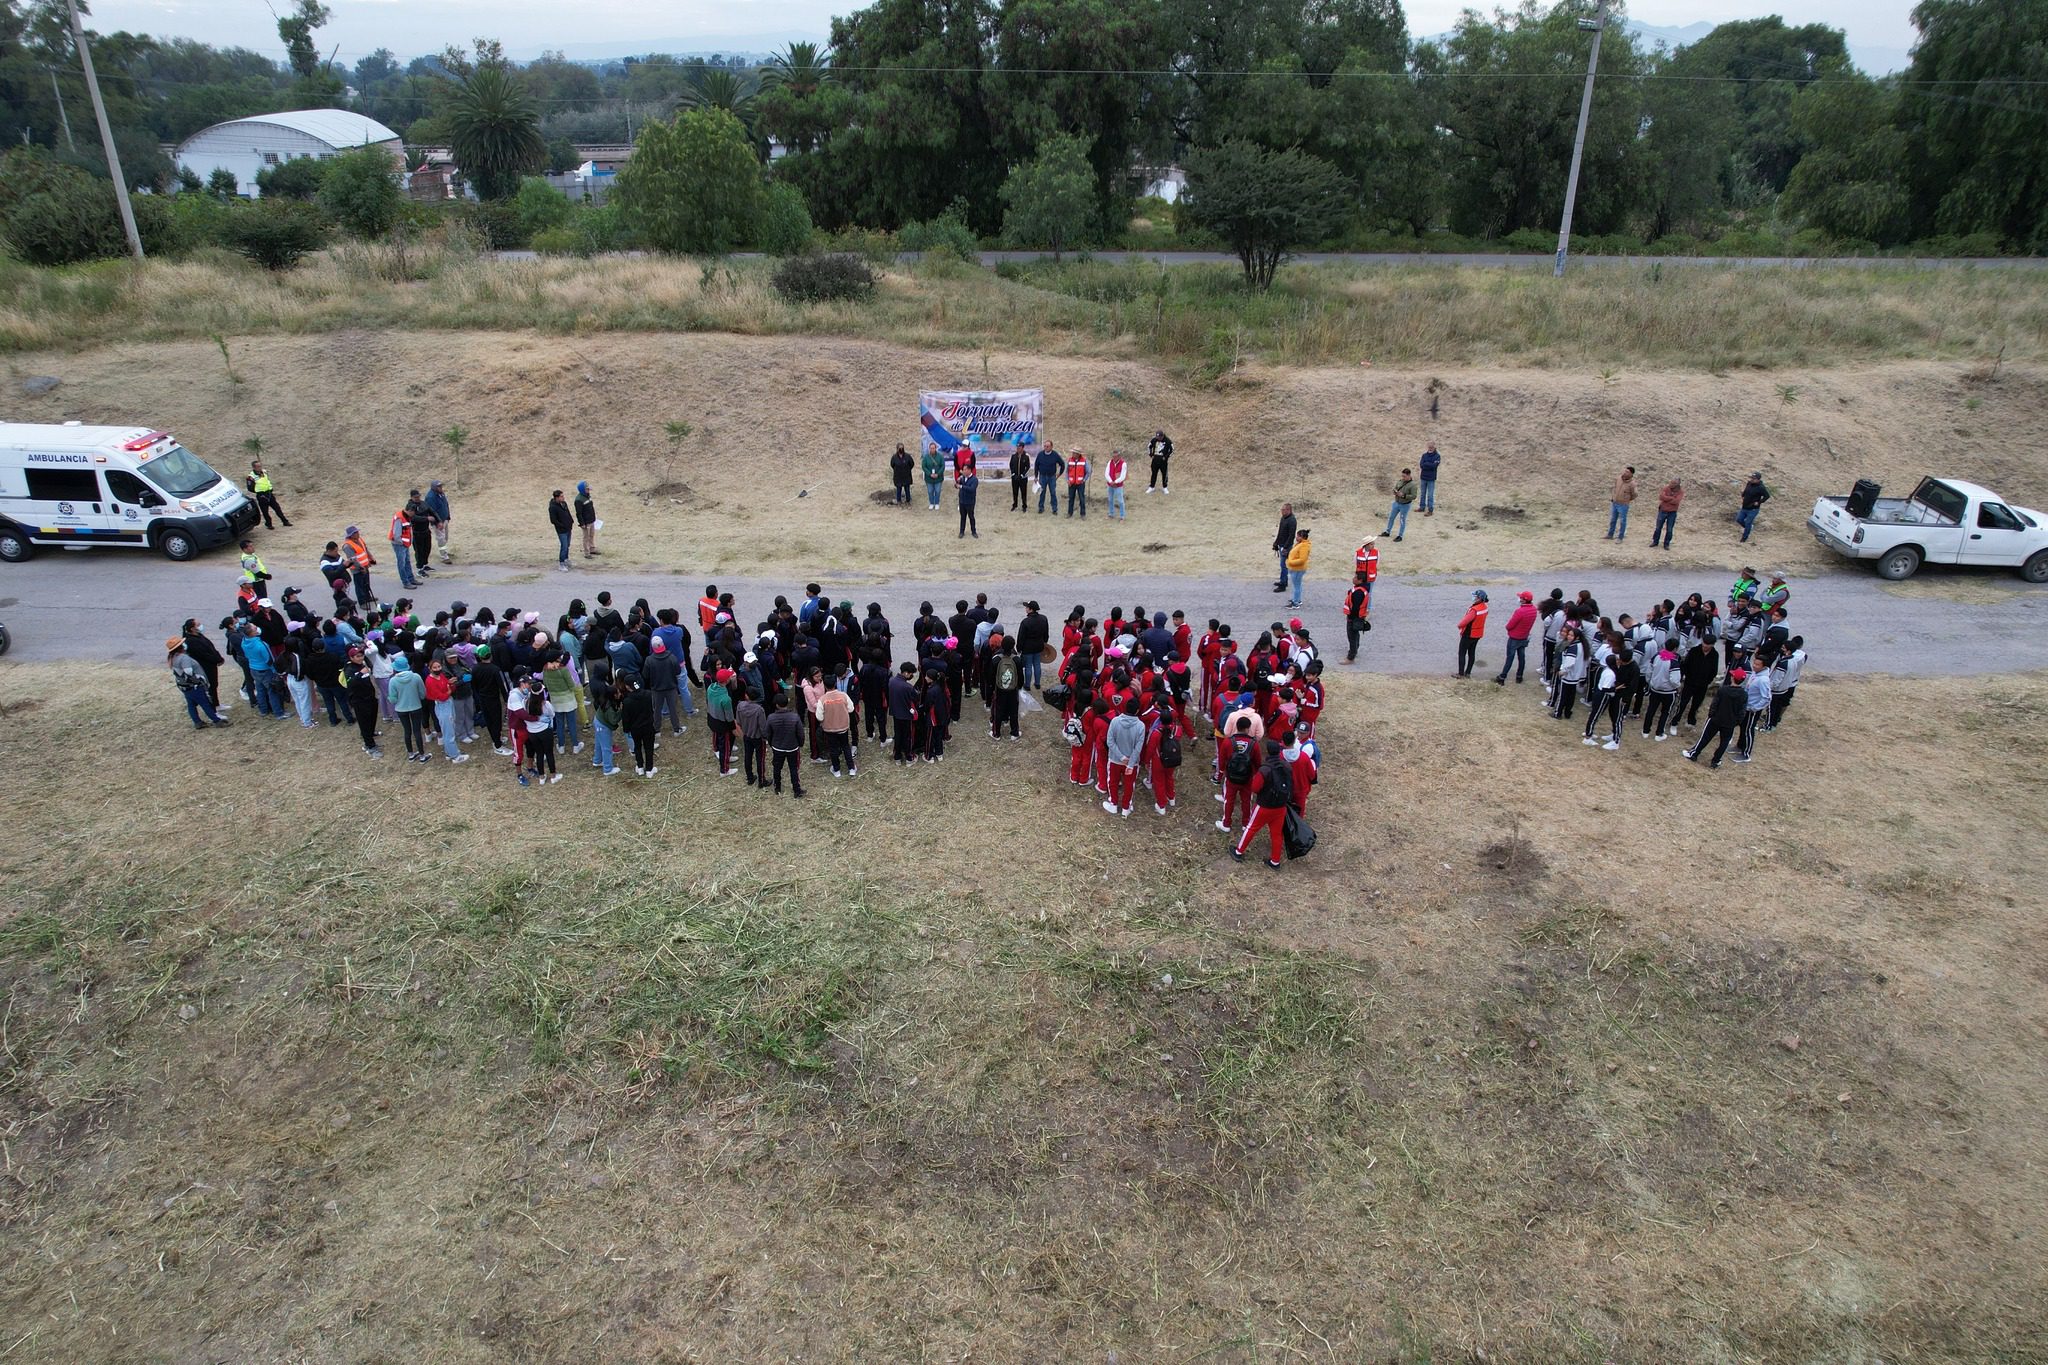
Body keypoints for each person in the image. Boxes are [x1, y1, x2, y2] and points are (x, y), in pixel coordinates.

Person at [1231, 739, 1293, 869]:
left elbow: (1255, 787)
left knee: (1251, 828)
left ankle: (1238, 851)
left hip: (1264, 805)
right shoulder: (1287, 766)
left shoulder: (1265, 769)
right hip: (1281, 806)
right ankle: (1275, 861)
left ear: (1268, 752)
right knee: (1276, 834)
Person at [1686, 669, 1750, 769]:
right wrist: (1736, 721)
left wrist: (1711, 715)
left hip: (1716, 719)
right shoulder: (1744, 695)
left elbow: (1714, 704)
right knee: (1724, 742)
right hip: (1729, 723)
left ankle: (1694, 754)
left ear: (1733, 678)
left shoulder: (1723, 690)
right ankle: (1715, 761)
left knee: (1705, 737)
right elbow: (1742, 711)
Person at [170, 637, 230, 729]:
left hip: (184, 686)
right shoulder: (184, 658)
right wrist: (199, 680)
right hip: (194, 686)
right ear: (180, 647)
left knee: (191, 704)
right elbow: (189, 671)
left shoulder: (173, 658)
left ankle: (197, 722)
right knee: (205, 703)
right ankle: (216, 721)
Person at [1103, 698, 1146, 817]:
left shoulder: (1115, 721)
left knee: (1113, 781)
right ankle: (1126, 807)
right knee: (1129, 784)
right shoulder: (1141, 726)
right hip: (1132, 763)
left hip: (1115, 760)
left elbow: (1110, 741)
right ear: (1137, 710)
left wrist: (1121, 757)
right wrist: (1131, 763)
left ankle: (1113, 804)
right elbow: (1138, 748)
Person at [426, 660, 469, 763]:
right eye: (435, 668)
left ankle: (449, 752)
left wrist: (451, 684)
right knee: (448, 731)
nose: (437, 669)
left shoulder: (441, 676)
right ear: (430, 669)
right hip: (442, 705)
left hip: (448, 702)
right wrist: (448, 691)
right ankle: (455, 756)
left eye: (439, 666)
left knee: (450, 728)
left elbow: (449, 687)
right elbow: (441, 696)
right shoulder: (430, 681)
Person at [387, 654, 428, 762]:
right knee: (417, 731)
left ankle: (410, 754)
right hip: (416, 707)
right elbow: (423, 694)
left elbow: (393, 699)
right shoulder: (416, 677)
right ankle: (422, 755)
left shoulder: (393, 681)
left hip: (401, 709)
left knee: (407, 731)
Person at [766, 693, 806, 797]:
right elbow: (800, 733)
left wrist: (771, 743)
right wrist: (800, 744)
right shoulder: (795, 717)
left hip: (777, 747)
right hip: (792, 747)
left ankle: (777, 787)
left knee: (777, 768)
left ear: (776, 705)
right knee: (793, 768)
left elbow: (768, 734)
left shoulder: (771, 718)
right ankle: (796, 790)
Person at [816, 675, 856, 775]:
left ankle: (836, 769)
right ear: (835, 684)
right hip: (843, 727)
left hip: (829, 729)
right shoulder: (843, 696)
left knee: (833, 749)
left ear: (824, 686)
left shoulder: (822, 699)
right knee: (846, 746)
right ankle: (851, 768)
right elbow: (851, 709)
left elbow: (819, 717)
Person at [1495, 590, 1536, 684]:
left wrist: (1509, 630)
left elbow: (1510, 625)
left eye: (1521, 597)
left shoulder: (1520, 611)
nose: (1519, 599)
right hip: (1524, 636)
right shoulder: (1533, 610)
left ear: (1524, 600)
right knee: (1522, 657)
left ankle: (1502, 677)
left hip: (1514, 638)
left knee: (1510, 657)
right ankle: (1519, 676)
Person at [520, 690, 559, 783]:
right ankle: (553, 776)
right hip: (545, 731)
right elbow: (552, 714)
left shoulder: (525, 702)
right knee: (549, 753)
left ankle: (541, 777)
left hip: (532, 733)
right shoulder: (546, 704)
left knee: (539, 753)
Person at [345, 653, 380, 756]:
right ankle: (370, 746)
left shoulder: (363, 665)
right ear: (351, 658)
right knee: (364, 722)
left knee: (372, 718)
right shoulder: (349, 669)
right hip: (359, 701)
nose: (360, 658)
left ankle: (371, 733)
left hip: (370, 697)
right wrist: (360, 674)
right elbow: (350, 684)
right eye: (357, 656)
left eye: (361, 656)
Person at [1769, 636, 1805, 728]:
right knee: (1783, 702)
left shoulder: (1785, 660)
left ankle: (1771, 721)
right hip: (1792, 682)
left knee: (1774, 704)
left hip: (1782, 684)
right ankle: (1777, 718)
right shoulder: (1802, 656)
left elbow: (1778, 677)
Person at [989, 639, 1023, 739]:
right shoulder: (1017, 659)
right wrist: (1019, 686)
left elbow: (991, 675)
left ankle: (996, 733)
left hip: (999, 688)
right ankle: (1014, 733)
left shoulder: (996, 659)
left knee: (998, 710)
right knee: (1013, 711)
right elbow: (1020, 676)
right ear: (1013, 646)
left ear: (1002, 646)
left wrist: (992, 687)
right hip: (1013, 689)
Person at [736, 685, 768, 785]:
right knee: (760, 759)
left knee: (748, 756)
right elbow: (763, 727)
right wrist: (765, 737)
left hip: (746, 736)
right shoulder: (759, 710)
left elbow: (738, 721)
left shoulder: (740, 706)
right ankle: (762, 780)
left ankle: (750, 777)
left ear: (746, 696)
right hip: (758, 738)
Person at [247, 458, 291, 528]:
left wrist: (270, 489)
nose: (260, 468)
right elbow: (250, 488)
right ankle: (269, 524)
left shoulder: (263, 472)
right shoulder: (251, 477)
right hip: (261, 495)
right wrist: (259, 492)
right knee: (265, 511)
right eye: (258, 467)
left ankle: (285, 521)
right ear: (254, 467)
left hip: (269, 493)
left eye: (260, 466)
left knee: (277, 508)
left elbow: (265, 481)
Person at [1456, 589, 1489, 678]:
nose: (1474, 597)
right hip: (1478, 634)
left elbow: (1464, 622)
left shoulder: (1475, 610)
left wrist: (1459, 626)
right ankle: (1468, 673)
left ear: (1479, 598)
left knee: (1462, 653)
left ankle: (1460, 673)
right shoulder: (1485, 607)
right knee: (1472, 653)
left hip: (1469, 634)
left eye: (1475, 596)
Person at [342, 526, 377, 609]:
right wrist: (361, 568)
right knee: (359, 586)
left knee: (366, 583)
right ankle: (362, 602)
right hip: (357, 569)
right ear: (351, 535)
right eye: (356, 532)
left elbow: (365, 549)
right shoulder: (347, 546)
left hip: (365, 566)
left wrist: (370, 558)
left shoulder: (359, 539)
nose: (358, 533)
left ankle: (367, 597)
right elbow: (353, 559)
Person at [1341, 573, 1371, 664]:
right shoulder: (1361, 589)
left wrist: (1351, 617)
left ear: (1360, 580)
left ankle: (1351, 657)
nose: (1353, 579)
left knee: (1352, 637)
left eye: (1355, 577)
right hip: (1358, 617)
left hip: (1354, 618)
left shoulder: (1359, 592)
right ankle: (1355, 650)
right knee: (1355, 635)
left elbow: (1355, 607)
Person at [388, 504, 418, 590]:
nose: (414, 515)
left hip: (405, 543)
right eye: (413, 513)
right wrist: (403, 543)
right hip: (399, 544)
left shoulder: (406, 516)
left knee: (407, 561)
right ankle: (406, 582)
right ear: (409, 511)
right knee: (402, 563)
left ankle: (410, 579)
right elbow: (396, 535)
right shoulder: (399, 518)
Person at [405, 489, 435, 575]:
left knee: (427, 548)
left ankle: (425, 564)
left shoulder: (423, 503)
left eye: (418, 496)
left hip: (426, 530)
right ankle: (419, 568)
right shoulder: (410, 506)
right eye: (415, 497)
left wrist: (438, 521)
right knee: (419, 551)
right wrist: (426, 518)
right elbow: (413, 518)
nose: (417, 498)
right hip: (416, 532)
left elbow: (432, 511)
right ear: (411, 497)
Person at [1384, 469, 1417, 542]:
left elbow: (1414, 496)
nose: (1403, 478)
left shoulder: (1413, 485)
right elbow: (1395, 488)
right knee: (1391, 517)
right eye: (1402, 476)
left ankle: (1400, 536)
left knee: (1402, 520)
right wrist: (1395, 492)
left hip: (1405, 505)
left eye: (1404, 476)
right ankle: (1387, 532)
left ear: (1409, 475)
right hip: (1396, 503)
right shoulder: (1400, 481)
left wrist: (1404, 495)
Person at [1737, 472, 1771, 541]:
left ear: (1758, 480)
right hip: (1744, 507)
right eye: (1751, 478)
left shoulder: (1761, 487)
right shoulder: (1749, 483)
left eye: (1754, 478)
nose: (1752, 479)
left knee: (1748, 522)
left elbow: (1767, 496)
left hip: (1753, 509)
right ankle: (1749, 527)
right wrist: (1743, 495)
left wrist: (1759, 502)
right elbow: (1746, 490)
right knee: (1739, 519)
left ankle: (1744, 538)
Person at [1271, 504, 1297, 592]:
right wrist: (1276, 542)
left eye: (1283, 510)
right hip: (1281, 544)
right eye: (1282, 510)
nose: (1282, 511)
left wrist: (1285, 548)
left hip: (1287, 546)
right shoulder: (1283, 518)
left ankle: (1283, 585)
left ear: (1289, 510)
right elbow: (1280, 532)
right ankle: (1283, 581)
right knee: (1282, 565)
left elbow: (1291, 536)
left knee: (1284, 565)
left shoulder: (1292, 521)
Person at [426, 479, 452, 564]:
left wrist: (447, 517)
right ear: (434, 487)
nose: (441, 487)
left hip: (444, 519)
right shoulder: (430, 497)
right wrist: (437, 522)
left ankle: (445, 552)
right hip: (438, 522)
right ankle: (444, 556)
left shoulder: (441, 494)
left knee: (445, 538)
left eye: (441, 486)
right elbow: (432, 511)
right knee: (441, 538)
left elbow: (446, 505)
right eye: (439, 486)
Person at [1607, 466, 1637, 541]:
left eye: (1627, 472)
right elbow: (1615, 488)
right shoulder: (1619, 478)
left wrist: (1626, 500)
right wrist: (1613, 497)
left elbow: (1635, 494)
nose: (1625, 473)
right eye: (1625, 471)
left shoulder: (1632, 484)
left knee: (1622, 521)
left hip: (1623, 505)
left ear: (1631, 474)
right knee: (1613, 519)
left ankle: (1620, 537)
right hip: (1615, 502)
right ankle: (1610, 534)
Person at [1034, 443, 1065, 513]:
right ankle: (1041, 508)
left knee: (1053, 493)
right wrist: (1036, 476)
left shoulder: (1055, 455)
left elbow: (1062, 464)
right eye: (1045, 446)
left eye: (1047, 446)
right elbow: (1036, 465)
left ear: (1051, 447)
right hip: (1042, 477)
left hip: (1052, 477)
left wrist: (1059, 474)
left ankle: (1054, 509)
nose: (1046, 447)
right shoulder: (1040, 454)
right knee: (1042, 493)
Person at [1652, 478, 1682, 549]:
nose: (1670, 484)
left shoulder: (1680, 492)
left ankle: (1666, 544)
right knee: (1658, 527)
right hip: (1662, 510)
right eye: (1670, 482)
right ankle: (1655, 541)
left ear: (1677, 484)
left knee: (1669, 529)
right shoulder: (1666, 488)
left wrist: (1667, 499)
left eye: (1673, 483)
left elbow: (1676, 501)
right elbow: (1661, 497)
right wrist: (1671, 498)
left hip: (1672, 513)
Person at [1284, 529, 1311, 606]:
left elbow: (1302, 559)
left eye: (1297, 536)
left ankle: (1295, 603)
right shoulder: (1301, 544)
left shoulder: (1304, 546)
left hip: (1297, 569)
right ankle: (1297, 600)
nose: (1296, 537)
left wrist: (1290, 562)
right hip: (1296, 569)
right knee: (1297, 585)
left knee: (1296, 586)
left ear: (1301, 537)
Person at [548, 489, 573, 570]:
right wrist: (562, 525)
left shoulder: (564, 503)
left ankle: (566, 559)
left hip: (568, 528)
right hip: (561, 530)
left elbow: (567, 512)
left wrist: (571, 521)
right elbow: (553, 520)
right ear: (556, 498)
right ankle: (561, 563)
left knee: (568, 545)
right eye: (561, 496)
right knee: (564, 546)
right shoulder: (553, 507)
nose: (563, 498)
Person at [574, 481, 599, 557]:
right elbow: (579, 513)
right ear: (582, 490)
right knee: (586, 537)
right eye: (587, 489)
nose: (588, 490)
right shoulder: (578, 500)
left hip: (591, 520)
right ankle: (587, 553)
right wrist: (582, 523)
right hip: (586, 522)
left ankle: (592, 549)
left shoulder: (587, 496)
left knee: (591, 535)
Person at [1065, 448, 1090, 517]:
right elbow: (1066, 472)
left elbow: (1088, 472)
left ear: (1078, 454)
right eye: (1072, 453)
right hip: (1071, 483)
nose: (1072, 454)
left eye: (1074, 453)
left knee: (1082, 499)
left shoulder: (1084, 461)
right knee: (1071, 499)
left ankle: (1083, 514)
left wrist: (1084, 480)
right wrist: (1067, 480)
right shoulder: (1069, 460)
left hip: (1080, 484)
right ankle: (1069, 513)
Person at [1418, 442, 1441, 515]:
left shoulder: (1437, 456)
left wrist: (1426, 463)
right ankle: (1422, 507)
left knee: (1430, 495)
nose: (1430, 448)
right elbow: (1421, 465)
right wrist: (1429, 464)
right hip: (1423, 477)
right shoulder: (1424, 455)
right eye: (1429, 447)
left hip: (1431, 479)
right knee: (1422, 494)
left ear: (1434, 448)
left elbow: (1434, 466)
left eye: (1431, 447)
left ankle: (1430, 510)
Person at [921, 443, 946, 511]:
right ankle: (931, 503)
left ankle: (937, 503)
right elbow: (924, 466)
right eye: (931, 448)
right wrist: (929, 474)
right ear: (929, 449)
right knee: (930, 491)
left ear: (936, 448)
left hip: (938, 478)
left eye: (933, 448)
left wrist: (938, 474)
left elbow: (943, 466)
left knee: (937, 491)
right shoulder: (926, 457)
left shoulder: (940, 456)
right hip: (929, 478)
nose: (932, 449)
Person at [1104, 452, 1128, 520]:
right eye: (1113, 456)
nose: (1114, 458)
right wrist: (1110, 481)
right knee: (1110, 499)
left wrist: (1115, 482)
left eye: (1115, 457)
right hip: (1110, 484)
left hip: (1118, 486)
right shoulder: (1110, 462)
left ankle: (1122, 516)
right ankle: (1111, 514)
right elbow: (1106, 473)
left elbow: (1123, 476)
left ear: (1119, 457)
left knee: (1120, 500)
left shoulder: (1123, 464)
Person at [957, 468, 980, 539]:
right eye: (963, 470)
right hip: (962, 501)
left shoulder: (974, 479)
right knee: (962, 517)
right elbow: (957, 486)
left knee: (971, 517)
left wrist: (961, 486)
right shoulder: (962, 478)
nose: (964, 471)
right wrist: (957, 483)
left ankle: (974, 531)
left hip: (970, 502)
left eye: (965, 470)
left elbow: (972, 489)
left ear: (969, 470)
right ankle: (961, 532)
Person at [1007, 445, 1030, 511]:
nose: (1018, 449)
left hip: (1023, 478)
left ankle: (1024, 506)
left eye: (1019, 448)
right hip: (1015, 478)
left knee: (1023, 492)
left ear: (1022, 448)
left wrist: (1022, 475)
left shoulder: (1026, 457)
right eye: (1017, 448)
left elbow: (1027, 467)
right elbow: (1011, 465)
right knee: (1015, 492)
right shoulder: (1013, 456)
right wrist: (1013, 474)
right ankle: (1015, 505)